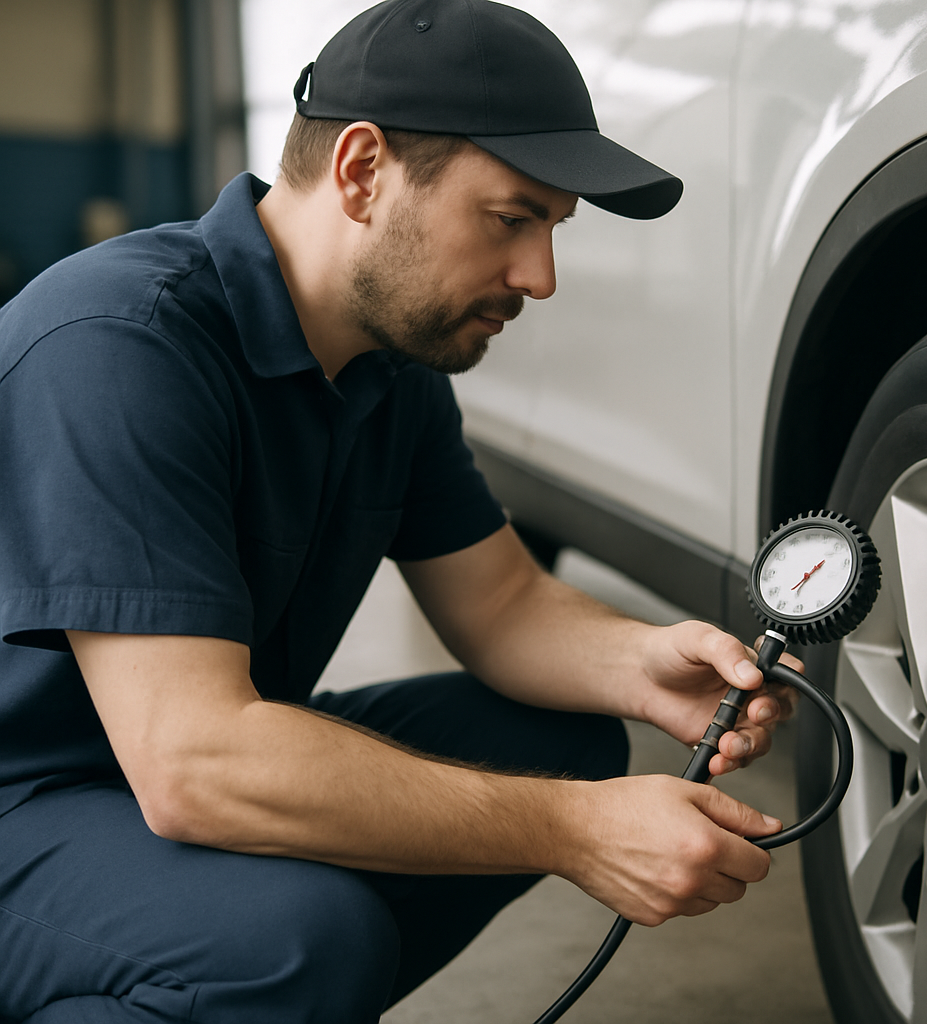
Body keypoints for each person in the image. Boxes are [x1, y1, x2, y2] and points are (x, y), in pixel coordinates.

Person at [0, 2, 797, 1021]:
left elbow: (501, 600)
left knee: (568, 741)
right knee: (293, 940)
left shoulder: (389, 369)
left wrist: (648, 668)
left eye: (553, 229)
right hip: (35, 796)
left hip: (147, 775)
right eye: (512, 219)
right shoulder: (121, 345)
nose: (539, 278)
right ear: (363, 171)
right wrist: (574, 831)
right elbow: (195, 764)